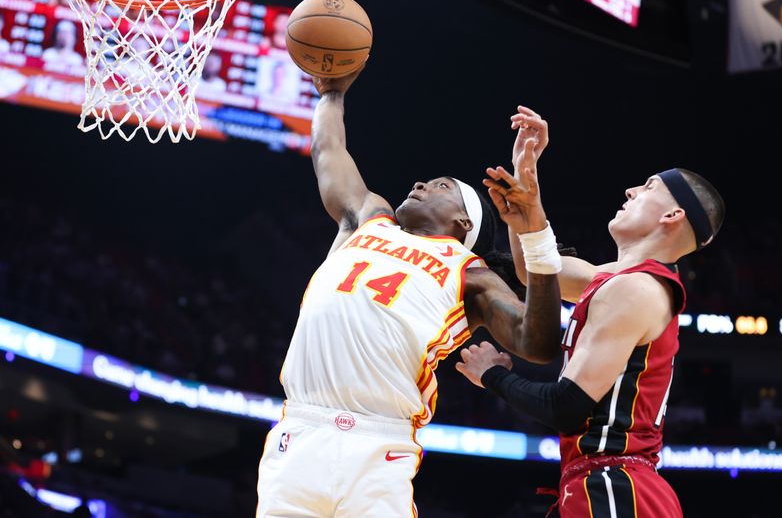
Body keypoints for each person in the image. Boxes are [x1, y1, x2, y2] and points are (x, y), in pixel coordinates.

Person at [255, 68, 565, 517]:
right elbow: (328, 151)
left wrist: (534, 230)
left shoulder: (471, 274)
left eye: (441, 187)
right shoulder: (368, 217)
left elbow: (538, 344)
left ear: (465, 223)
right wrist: (332, 92)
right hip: (301, 431)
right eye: (425, 181)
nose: (420, 184)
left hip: (378, 445)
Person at [457, 106, 726, 518]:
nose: (631, 191)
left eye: (649, 188)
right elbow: (536, 272)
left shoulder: (636, 291)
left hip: (617, 485)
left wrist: (492, 374)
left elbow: (565, 406)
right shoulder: (617, 279)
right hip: (601, 483)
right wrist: (525, 185)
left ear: (673, 216)